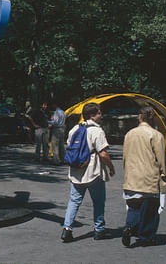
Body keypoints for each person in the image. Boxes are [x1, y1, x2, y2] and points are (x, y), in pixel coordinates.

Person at [61, 102, 115, 242]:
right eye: (99, 113)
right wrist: (111, 167)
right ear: (92, 115)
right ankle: (99, 230)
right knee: (98, 202)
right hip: (93, 172)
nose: (101, 115)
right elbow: (103, 154)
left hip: (76, 171)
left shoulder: (75, 129)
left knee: (74, 201)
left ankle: (67, 229)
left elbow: (69, 146)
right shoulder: (97, 131)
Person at [121, 106, 166, 247]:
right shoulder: (156, 135)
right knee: (151, 208)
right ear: (152, 118)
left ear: (139, 116)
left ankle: (129, 227)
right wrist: (165, 173)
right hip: (150, 177)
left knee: (134, 206)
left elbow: (125, 156)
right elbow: (162, 158)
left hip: (132, 176)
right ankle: (146, 236)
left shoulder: (129, 134)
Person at [48, 101, 66, 165]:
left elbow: (55, 122)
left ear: (55, 105)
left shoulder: (56, 112)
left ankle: (56, 160)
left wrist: (48, 122)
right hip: (62, 128)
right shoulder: (63, 112)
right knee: (61, 145)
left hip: (57, 129)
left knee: (55, 145)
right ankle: (63, 159)